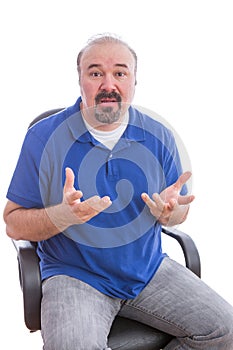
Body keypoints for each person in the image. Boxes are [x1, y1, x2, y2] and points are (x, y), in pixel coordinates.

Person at [3, 33, 233, 350]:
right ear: (80, 80)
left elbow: (178, 210)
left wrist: (171, 212)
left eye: (120, 73)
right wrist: (62, 215)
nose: (108, 84)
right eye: (95, 72)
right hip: (76, 276)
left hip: (149, 271)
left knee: (224, 330)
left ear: (134, 82)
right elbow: (13, 223)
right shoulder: (44, 137)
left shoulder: (157, 135)